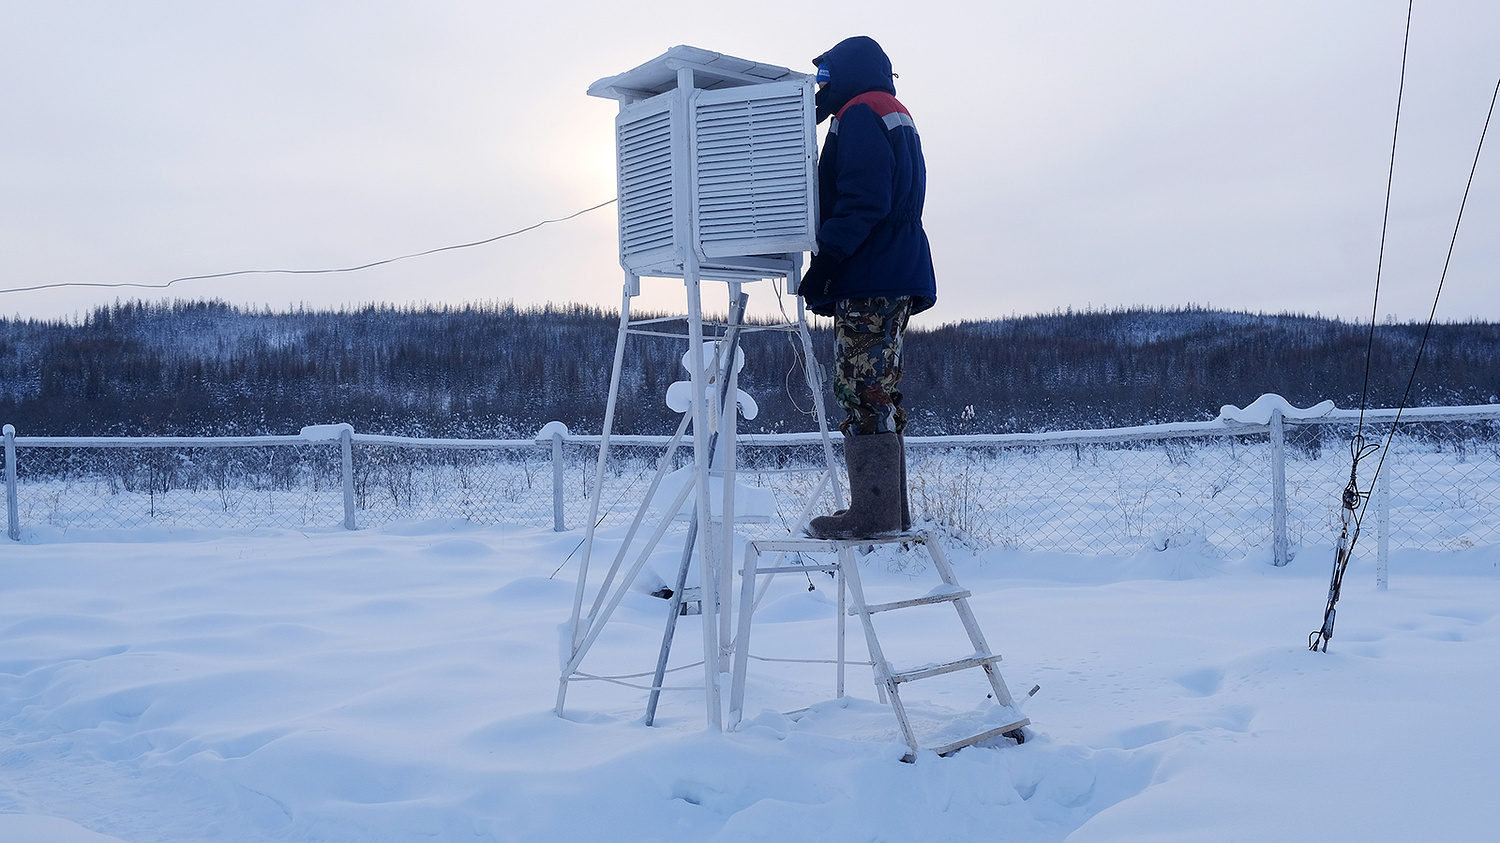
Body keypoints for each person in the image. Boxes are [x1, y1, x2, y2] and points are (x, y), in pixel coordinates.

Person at [799, 36, 936, 539]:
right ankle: (889, 515)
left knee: (861, 386)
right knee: (879, 388)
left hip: (872, 270)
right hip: (895, 268)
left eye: (826, 78)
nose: (821, 89)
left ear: (849, 74)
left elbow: (865, 198)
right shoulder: (890, 110)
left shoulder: (859, 113)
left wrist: (829, 259)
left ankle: (873, 517)